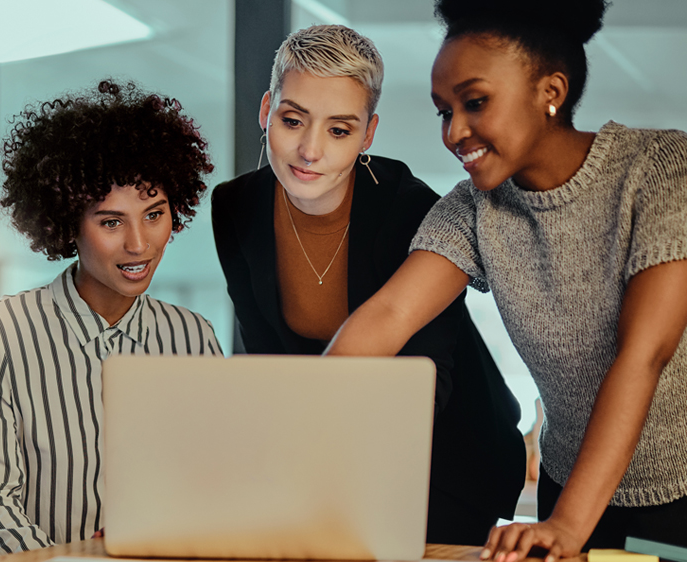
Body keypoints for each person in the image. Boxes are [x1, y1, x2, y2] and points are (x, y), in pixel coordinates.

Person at [325, 0, 687, 558]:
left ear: (550, 91)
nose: (454, 131)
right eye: (444, 111)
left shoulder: (662, 166)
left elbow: (644, 353)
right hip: (573, 489)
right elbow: (387, 316)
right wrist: (301, 443)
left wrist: (568, 526)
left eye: (475, 102)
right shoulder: (472, 208)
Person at [210, 24, 525, 546]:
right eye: (293, 120)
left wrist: (325, 465)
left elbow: (426, 382)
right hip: (324, 454)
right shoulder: (236, 207)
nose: (310, 150)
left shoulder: (410, 209)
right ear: (267, 110)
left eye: (339, 130)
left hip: (444, 461)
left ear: (367, 135)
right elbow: (267, 360)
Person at [0, 80, 223, 557]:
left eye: (154, 214)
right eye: (111, 222)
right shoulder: (4, 332)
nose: (139, 244)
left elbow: (217, 481)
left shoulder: (192, 336)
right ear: (67, 225)